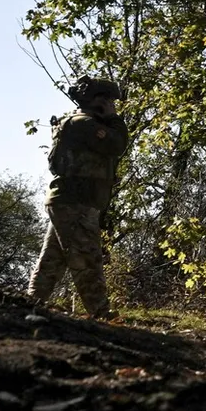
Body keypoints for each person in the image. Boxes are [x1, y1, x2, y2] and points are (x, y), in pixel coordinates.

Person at [27, 76, 130, 319]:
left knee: (52, 260)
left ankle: (30, 302)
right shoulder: (85, 124)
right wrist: (114, 119)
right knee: (87, 257)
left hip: (70, 200)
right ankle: (101, 313)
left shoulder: (79, 122)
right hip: (75, 201)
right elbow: (117, 145)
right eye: (108, 100)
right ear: (98, 101)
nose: (112, 105)